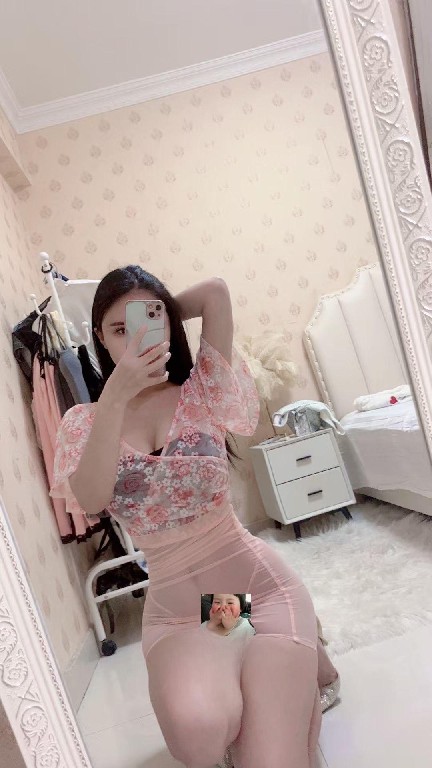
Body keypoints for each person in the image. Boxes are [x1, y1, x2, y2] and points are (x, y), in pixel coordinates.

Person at [51, 265, 338, 768]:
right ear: (98, 336)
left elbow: (216, 293)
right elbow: (92, 497)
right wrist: (115, 394)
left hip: (258, 592)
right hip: (193, 615)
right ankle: (295, 656)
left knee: (268, 755)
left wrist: (159, 315)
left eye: (147, 320)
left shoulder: (200, 387)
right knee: (197, 734)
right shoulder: (84, 423)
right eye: (119, 329)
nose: (135, 338)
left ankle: (304, 659)